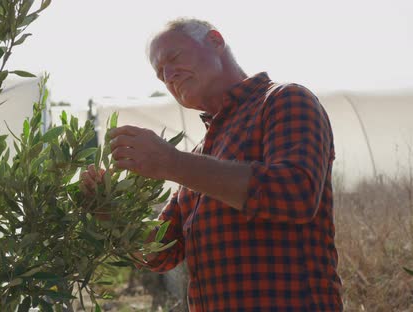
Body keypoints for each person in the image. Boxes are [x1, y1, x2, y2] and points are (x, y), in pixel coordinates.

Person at [81, 18, 342, 311]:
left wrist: (171, 162)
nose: (168, 75)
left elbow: (295, 194)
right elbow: (160, 253)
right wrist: (110, 214)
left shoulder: (285, 100)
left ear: (216, 41)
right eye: (159, 74)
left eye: (174, 58)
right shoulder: (201, 152)